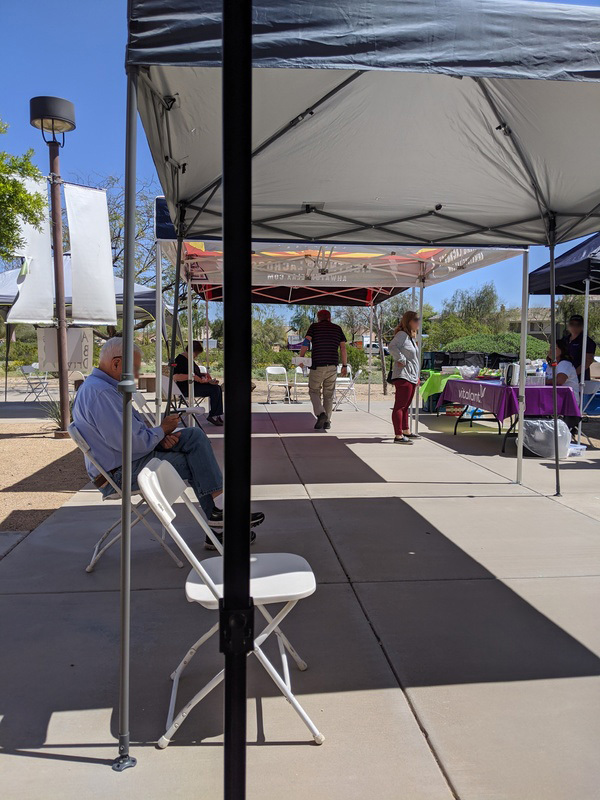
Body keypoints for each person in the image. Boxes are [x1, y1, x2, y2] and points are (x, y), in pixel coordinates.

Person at [72, 337, 263, 549]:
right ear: (116, 363)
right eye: (134, 369)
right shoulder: (102, 393)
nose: (136, 375)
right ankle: (219, 522)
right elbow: (130, 443)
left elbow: (127, 437)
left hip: (126, 462)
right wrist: (161, 431)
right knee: (195, 461)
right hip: (120, 473)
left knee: (194, 437)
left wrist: (159, 439)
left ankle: (219, 512)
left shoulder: (99, 388)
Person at [298, 309, 348, 430]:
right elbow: (343, 348)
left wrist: (301, 357)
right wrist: (345, 365)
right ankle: (327, 421)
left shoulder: (314, 327)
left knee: (314, 391)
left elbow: (306, 342)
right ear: (330, 318)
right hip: (332, 366)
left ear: (318, 318)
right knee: (329, 394)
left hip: (317, 365)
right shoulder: (337, 328)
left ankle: (321, 414)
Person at [388, 311, 421, 444]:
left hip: (411, 376)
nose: (419, 322)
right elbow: (391, 346)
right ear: (409, 321)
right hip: (403, 376)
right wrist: (400, 359)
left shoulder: (410, 337)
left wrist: (416, 376)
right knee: (400, 406)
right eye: (416, 319)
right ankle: (398, 436)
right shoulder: (402, 335)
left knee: (406, 406)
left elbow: (413, 359)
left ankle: (405, 430)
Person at [173, 341, 224, 426]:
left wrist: (205, 377)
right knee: (215, 389)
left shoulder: (189, 360)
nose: (196, 356)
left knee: (217, 387)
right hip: (186, 389)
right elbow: (175, 377)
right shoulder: (180, 360)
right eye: (196, 353)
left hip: (194, 386)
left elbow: (195, 374)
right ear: (191, 351)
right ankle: (214, 415)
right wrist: (192, 377)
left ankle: (216, 414)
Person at [563, 314, 596, 382]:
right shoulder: (564, 340)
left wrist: (573, 374)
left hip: (579, 378)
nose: (575, 326)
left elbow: (588, 361)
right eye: (572, 324)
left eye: (578, 324)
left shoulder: (587, 341)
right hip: (563, 376)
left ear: (582, 326)